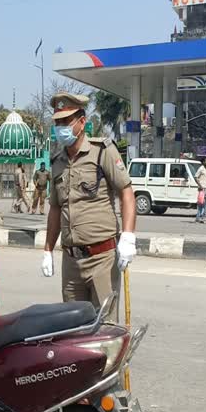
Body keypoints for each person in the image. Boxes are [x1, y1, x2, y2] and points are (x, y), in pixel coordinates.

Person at [41, 93, 137, 322]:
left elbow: (126, 192)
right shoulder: (57, 162)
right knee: (72, 330)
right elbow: (55, 209)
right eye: (57, 123)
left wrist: (128, 236)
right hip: (71, 261)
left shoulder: (102, 151)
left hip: (101, 258)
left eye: (66, 122)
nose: (60, 128)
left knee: (104, 328)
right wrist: (47, 250)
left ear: (82, 122)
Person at [195, 158, 206, 223]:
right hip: (202, 189)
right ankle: (203, 216)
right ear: (203, 162)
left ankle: (198, 218)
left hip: (205, 188)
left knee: (201, 204)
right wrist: (200, 185)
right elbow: (195, 177)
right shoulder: (201, 168)